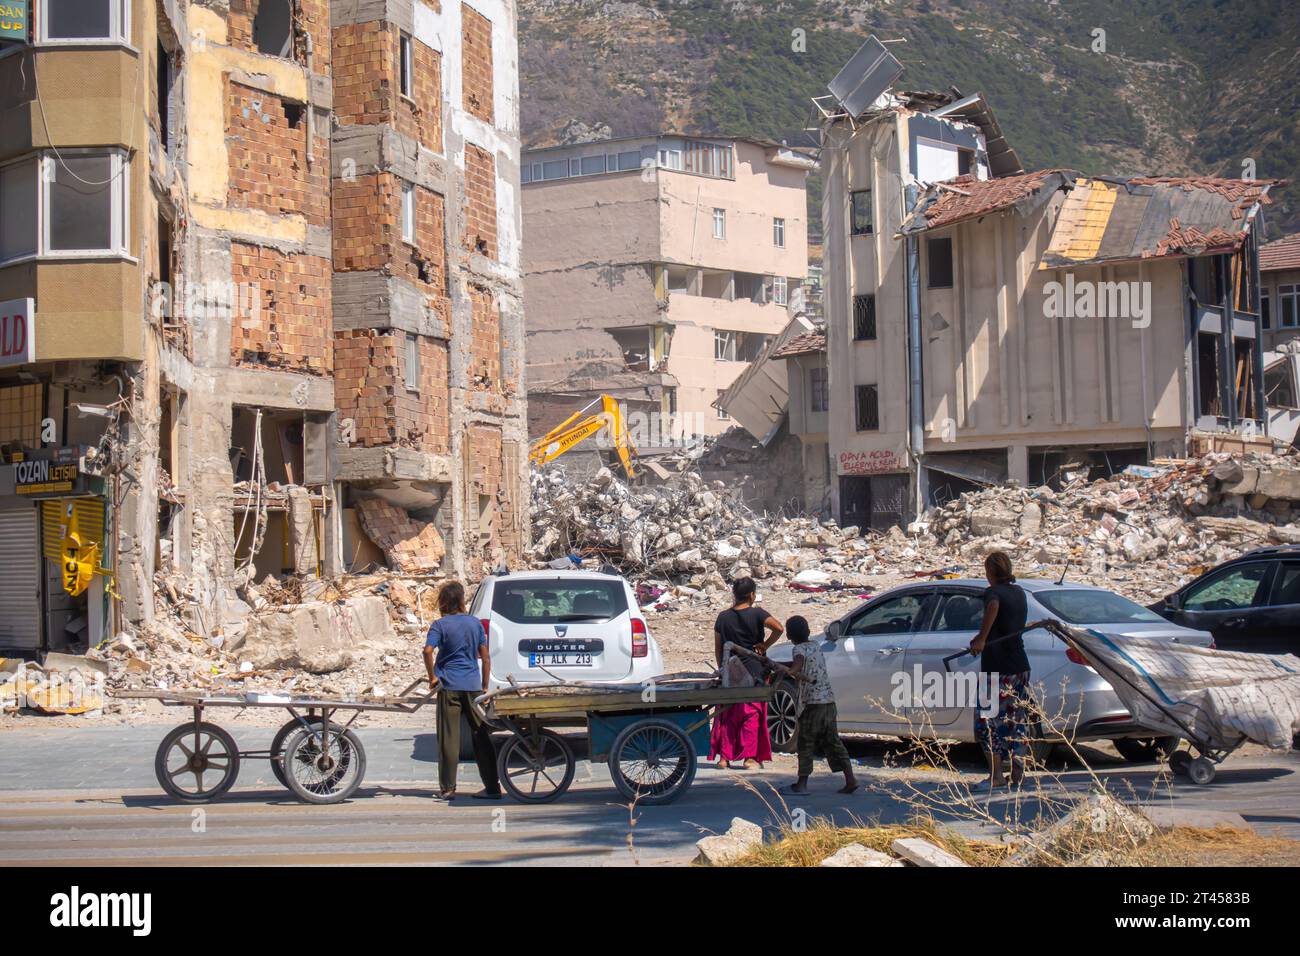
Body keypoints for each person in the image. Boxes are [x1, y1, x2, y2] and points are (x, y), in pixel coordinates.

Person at [423, 581, 501, 801]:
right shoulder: (475, 624)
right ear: (461, 600)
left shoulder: (439, 625)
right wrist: (485, 686)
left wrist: (432, 677)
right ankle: (493, 788)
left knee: (449, 739)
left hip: (449, 687)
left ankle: (448, 788)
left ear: (443, 602)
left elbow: (428, 651)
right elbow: (485, 657)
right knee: (481, 735)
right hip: (473, 686)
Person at [968, 551, 1032, 792]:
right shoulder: (1019, 592)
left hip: (997, 667)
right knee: (1017, 719)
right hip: (1020, 666)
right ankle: (1018, 771)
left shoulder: (992, 593)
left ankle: (996, 776)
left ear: (991, 571)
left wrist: (981, 638)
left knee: (986, 720)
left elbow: (993, 606)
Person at [711, 577, 783, 770]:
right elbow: (779, 628)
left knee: (727, 713)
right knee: (751, 713)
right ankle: (749, 758)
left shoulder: (723, 617)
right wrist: (765, 645)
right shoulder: (758, 614)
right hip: (755, 670)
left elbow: (718, 648)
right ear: (752, 595)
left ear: (734, 595)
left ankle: (724, 758)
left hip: (731, 670)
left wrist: (722, 669)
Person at [784, 615, 857, 795]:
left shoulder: (797, 649)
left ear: (789, 636)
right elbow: (806, 662)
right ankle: (850, 779)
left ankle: (801, 784)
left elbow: (797, 665)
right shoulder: (815, 646)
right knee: (834, 741)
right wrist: (784, 666)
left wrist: (786, 671)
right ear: (808, 632)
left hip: (812, 704)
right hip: (828, 701)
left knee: (806, 743)